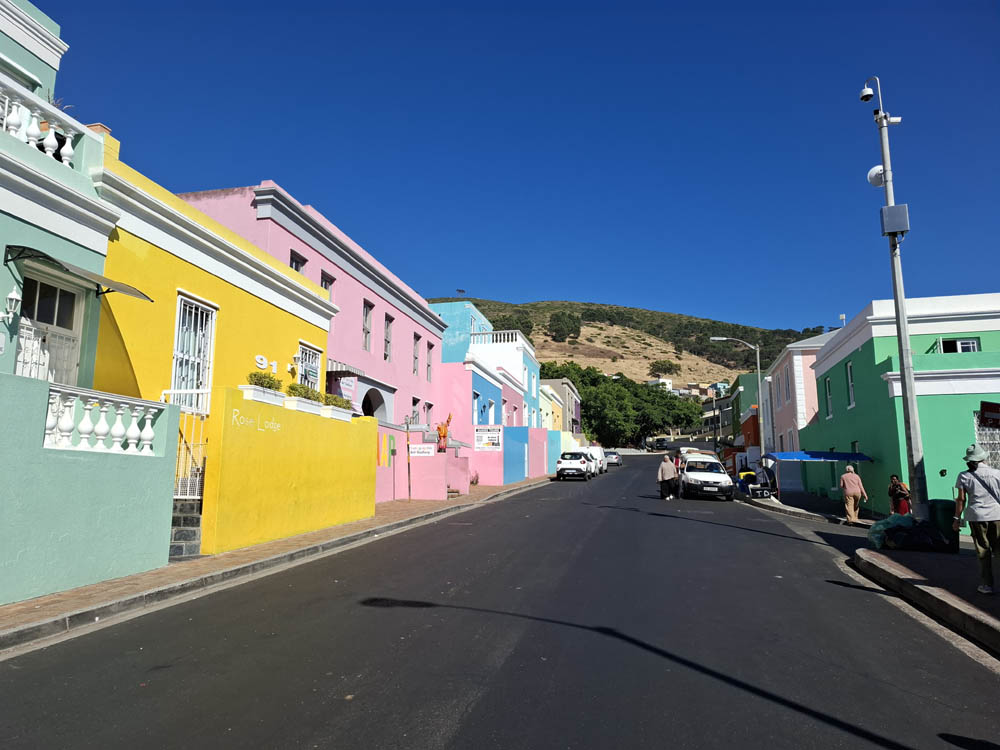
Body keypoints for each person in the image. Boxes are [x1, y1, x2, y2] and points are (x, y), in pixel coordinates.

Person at [953, 444, 1000, 595]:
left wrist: (956, 519)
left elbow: (961, 499)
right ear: (983, 457)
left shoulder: (964, 476)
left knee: (983, 551)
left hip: (976, 516)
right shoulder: (997, 473)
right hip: (997, 515)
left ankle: (987, 585)